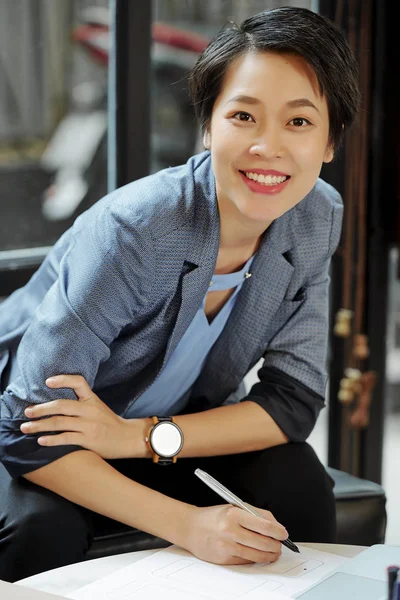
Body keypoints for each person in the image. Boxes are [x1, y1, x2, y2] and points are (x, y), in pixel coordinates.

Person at [0, 7, 360, 582]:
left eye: (298, 122)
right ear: (208, 125)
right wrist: (190, 524)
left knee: (298, 486)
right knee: (42, 530)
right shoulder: (140, 228)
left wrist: (137, 438)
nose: (268, 147)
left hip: (150, 432)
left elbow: (293, 401)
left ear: (330, 142)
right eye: (243, 115)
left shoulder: (316, 217)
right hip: (41, 435)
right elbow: (28, 431)